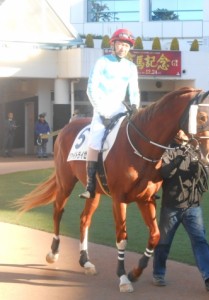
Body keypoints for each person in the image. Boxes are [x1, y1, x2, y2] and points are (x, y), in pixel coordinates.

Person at [152, 130, 209, 292]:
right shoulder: (167, 150)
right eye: (180, 130)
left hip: (193, 205)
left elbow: (206, 174)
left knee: (200, 241)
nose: (183, 133)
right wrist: (178, 158)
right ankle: (158, 273)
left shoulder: (195, 150)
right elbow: (164, 172)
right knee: (163, 242)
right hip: (171, 206)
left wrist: (200, 166)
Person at [79, 28, 140, 199]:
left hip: (121, 109)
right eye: (120, 44)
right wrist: (101, 109)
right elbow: (91, 88)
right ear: (113, 44)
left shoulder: (131, 67)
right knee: (95, 140)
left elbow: (134, 91)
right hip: (101, 108)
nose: (123, 48)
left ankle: (142, 181)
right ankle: (90, 184)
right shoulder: (102, 62)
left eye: (126, 46)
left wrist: (135, 106)